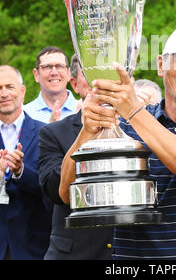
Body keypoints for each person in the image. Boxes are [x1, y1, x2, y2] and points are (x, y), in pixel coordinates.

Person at [59, 23, 176, 260]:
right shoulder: (127, 125)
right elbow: (68, 193)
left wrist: (134, 111)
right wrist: (87, 131)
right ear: (160, 65)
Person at [39, 55, 113, 260]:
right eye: (91, 75)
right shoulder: (52, 133)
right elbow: (54, 191)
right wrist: (86, 134)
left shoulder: (136, 129)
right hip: (74, 253)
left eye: (106, 74)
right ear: (74, 84)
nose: (99, 82)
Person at [0, 65, 52, 260]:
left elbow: (52, 187)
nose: (4, 94)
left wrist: (20, 171)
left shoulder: (46, 133)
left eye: (9, 87)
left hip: (34, 245)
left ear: (22, 92)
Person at [24, 46, 78, 123]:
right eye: (47, 67)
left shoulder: (84, 110)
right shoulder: (25, 115)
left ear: (69, 73)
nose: (54, 73)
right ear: (36, 74)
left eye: (59, 66)